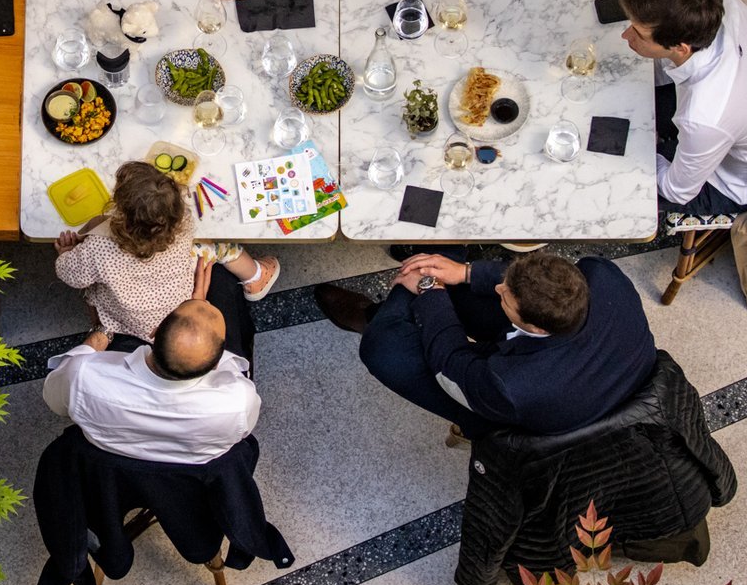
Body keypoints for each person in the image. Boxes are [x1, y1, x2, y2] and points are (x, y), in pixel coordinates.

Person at [314, 251, 656, 436]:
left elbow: (451, 360)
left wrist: (430, 288)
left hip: (539, 416)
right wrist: (466, 272)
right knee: (462, 280)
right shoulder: (603, 275)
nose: (498, 289)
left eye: (506, 299)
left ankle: (376, 322)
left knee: (386, 353)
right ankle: (390, 307)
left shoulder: (508, 385)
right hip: (594, 364)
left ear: (535, 327)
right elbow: (513, 278)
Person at [42, 258, 260, 464]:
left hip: (110, 469)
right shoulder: (237, 402)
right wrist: (199, 307)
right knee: (223, 279)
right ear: (216, 364)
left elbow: (55, 402)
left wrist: (102, 329)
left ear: (154, 331)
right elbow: (244, 429)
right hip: (195, 480)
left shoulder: (82, 377)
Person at [619, 0, 747, 217]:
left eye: (638, 34)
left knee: (617, 170)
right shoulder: (722, 4)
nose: (625, 35)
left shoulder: (703, 117)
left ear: (681, 48)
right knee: (632, 96)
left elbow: (676, 191)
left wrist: (649, 151)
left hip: (739, 183)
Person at [54, 161, 280, 346]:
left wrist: (66, 251)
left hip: (124, 320)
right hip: (176, 313)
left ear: (120, 213)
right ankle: (255, 277)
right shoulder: (184, 224)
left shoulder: (97, 249)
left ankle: (256, 278)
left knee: (92, 284)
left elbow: (70, 275)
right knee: (225, 249)